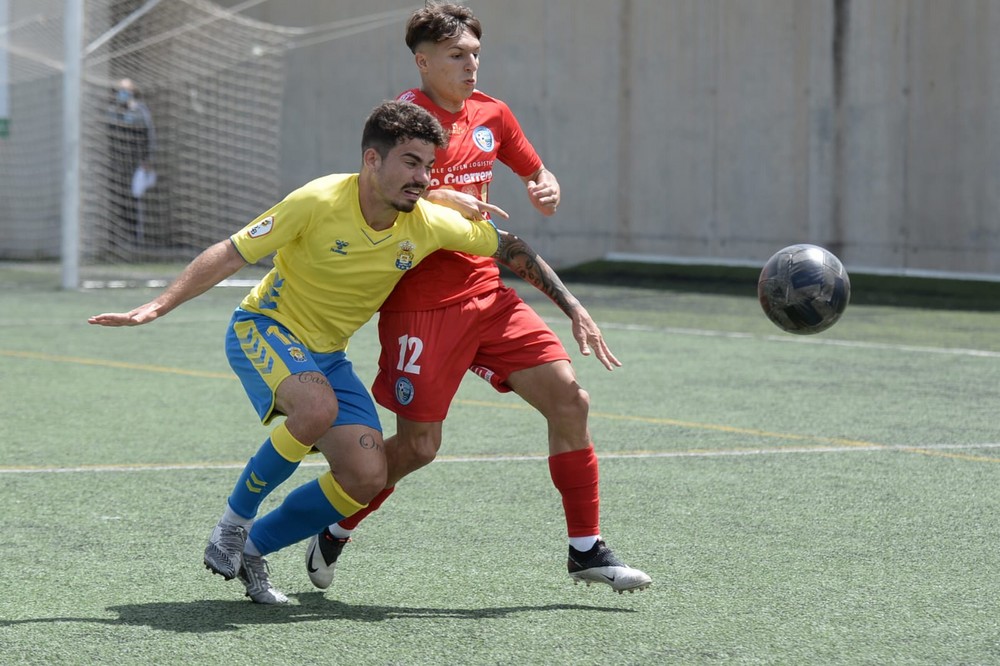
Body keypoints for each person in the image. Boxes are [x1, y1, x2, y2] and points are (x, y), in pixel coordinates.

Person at [89, 100, 563, 604]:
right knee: (317, 408)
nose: (423, 177)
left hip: (327, 356)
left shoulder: (427, 223)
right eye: (410, 162)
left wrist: (574, 309)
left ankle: (254, 548)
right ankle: (231, 525)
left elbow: (508, 247)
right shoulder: (316, 200)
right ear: (372, 160)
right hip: (264, 326)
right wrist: (160, 305)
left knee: (367, 476)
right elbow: (231, 251)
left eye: (428, 166)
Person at [305, 4, 651, 595]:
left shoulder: (493, 114)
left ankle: (586, 549)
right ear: (423, 61)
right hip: (420, 306)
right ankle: (335, 526)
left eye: (475, 54)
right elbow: (375, 191)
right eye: (457, 55)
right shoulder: (402, 119)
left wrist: (546, 183)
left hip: (489, 296)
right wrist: (438, 194)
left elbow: (533, 169)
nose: (471, 65)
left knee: (571, 400)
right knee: (419, 447)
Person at [106, 78, 156, 243]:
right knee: (119, 198)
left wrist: (147, 159)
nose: (123, 93)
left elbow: (148, 134)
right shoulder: (113, 111)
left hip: (136, 163)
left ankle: (136, 237)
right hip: (118, 162)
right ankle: (120, 237)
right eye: (120, 90)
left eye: (126, 90)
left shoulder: (140, 111)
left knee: (134, 198)